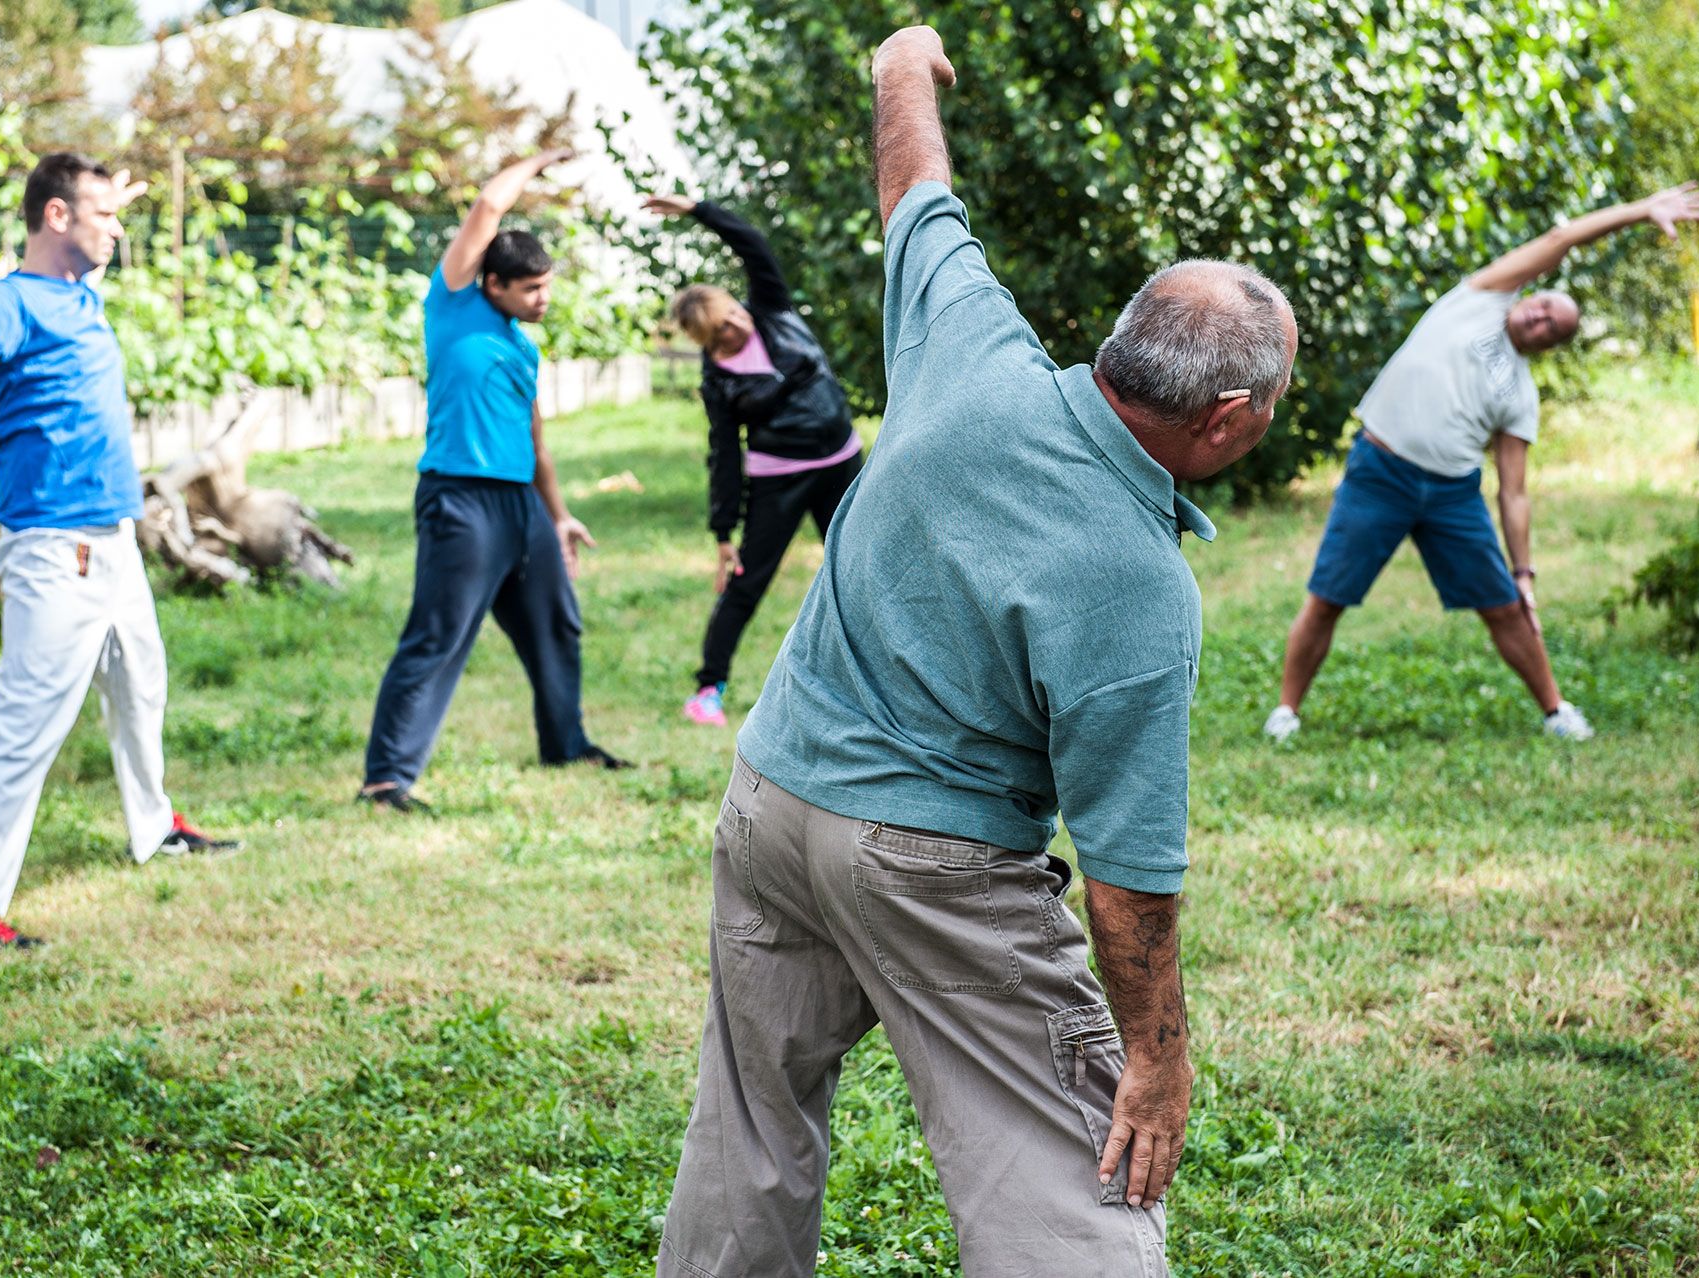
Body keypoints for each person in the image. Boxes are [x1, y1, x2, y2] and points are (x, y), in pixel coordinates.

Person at [656, 25, 1298, 1278]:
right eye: (1271, 406)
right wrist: (1158, 1062)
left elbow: (916, 194)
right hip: (928, 860)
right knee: (1061, 1163)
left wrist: (900, 68)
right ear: (1226, 419)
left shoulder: (970, 348)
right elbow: (1128, 883)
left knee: (748, 1127)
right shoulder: (1140, 585)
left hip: (771, 803)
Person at [0, 153, 238, 953]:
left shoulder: (77, 291)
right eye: (102, 214)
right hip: (55, 552)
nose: (117, 226)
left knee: (143, 685)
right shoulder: (12, 304)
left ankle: (154, 823)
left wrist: (112, 200)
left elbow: (87, 249)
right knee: (27, 723)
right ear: (58, 217)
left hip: (115, 542)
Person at [1264, 181, 1699, 744]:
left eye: (1554, 326)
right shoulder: (1480, 296)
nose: (1541, 318)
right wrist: (1643, 211)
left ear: (1551, 344)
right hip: (1380, 472)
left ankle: (1556, 711)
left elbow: (1514, 491)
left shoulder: (1521, 396)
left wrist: (1524, 573)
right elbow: (1563, 236)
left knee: (1505, 607)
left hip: (1452, 494)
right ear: (1530, 295)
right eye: (1544, 305)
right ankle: (1286, 711)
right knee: (1328, 596)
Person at [358, 149, 630, 813]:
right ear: (493, 285)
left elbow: (535, 440)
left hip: (520, 503)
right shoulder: (453, 308)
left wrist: (558, 515)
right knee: (441, 632)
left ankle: (566, 742)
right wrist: (538, 160)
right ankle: (386, 779)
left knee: (556, 621)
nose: (543, 299)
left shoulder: (522, 345)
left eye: (547, 287)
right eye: (531, 289)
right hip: (460, 498)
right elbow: (487, 208)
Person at [643, 193, 864, 728]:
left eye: (732, 313)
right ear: (705, 339)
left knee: (866, 570)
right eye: (720, 329)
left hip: (840, 460)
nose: (735, 326)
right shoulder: (717, 380)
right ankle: (707, 689)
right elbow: (723, 453)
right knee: (747, 582)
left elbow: (752, 245)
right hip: (778, 479)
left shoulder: (772, 309)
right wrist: (723, 530)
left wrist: (697, 209)